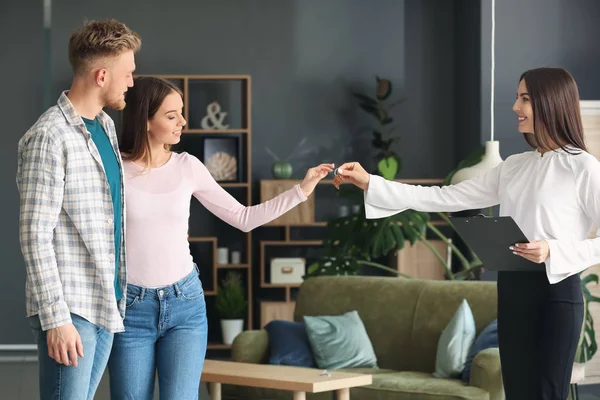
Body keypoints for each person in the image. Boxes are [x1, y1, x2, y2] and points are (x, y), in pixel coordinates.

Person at [337, 67, 597, 400]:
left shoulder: (583, 166)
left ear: (551, 102)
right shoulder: (514, 165)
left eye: (525, 99)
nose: (516, 108)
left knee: (546, 394)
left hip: (555, 295)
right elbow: (445, 196)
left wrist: (554, 250)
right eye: (518, 98)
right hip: (513, 290)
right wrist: (372, 182)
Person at [107, 76, 333, 399]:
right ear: (145, 121)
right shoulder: (114, 169)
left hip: (184, 305)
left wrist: (301, 191)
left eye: (182, 113)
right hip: (131, 309)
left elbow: (242, 217)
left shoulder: (188, 167)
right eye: (172, 116)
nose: (183, 122)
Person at [16, 19, 140, 399]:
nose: (132, 83)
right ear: (103, 75)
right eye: (128, 74)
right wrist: (56, 318)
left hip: (105, 300)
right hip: (70, 310)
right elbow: (34, 235)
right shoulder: (48, 136)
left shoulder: (105, 126)